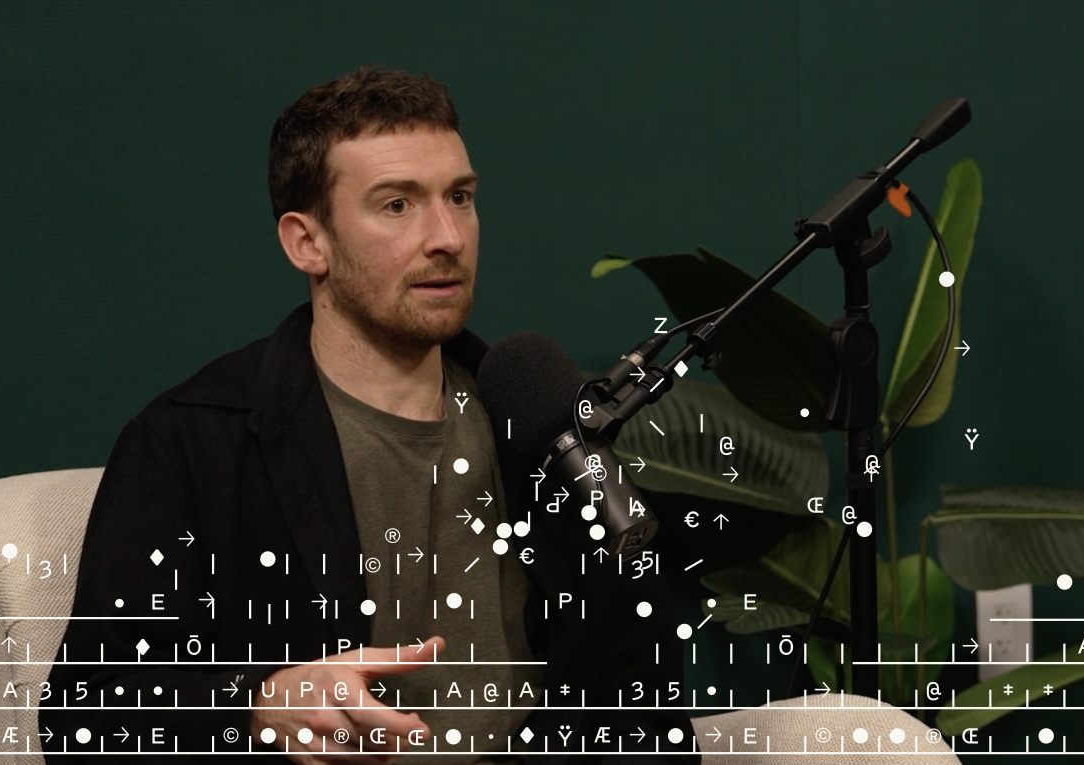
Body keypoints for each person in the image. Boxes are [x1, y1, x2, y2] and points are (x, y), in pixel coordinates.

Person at [39, 65, 696, 764]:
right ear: (307, 242)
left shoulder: (535, 423)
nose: (447, 236)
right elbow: (88, 716)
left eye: (460, 197)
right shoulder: (194, 442)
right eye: (397, 205)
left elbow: (640, 696)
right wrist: (258, 705)